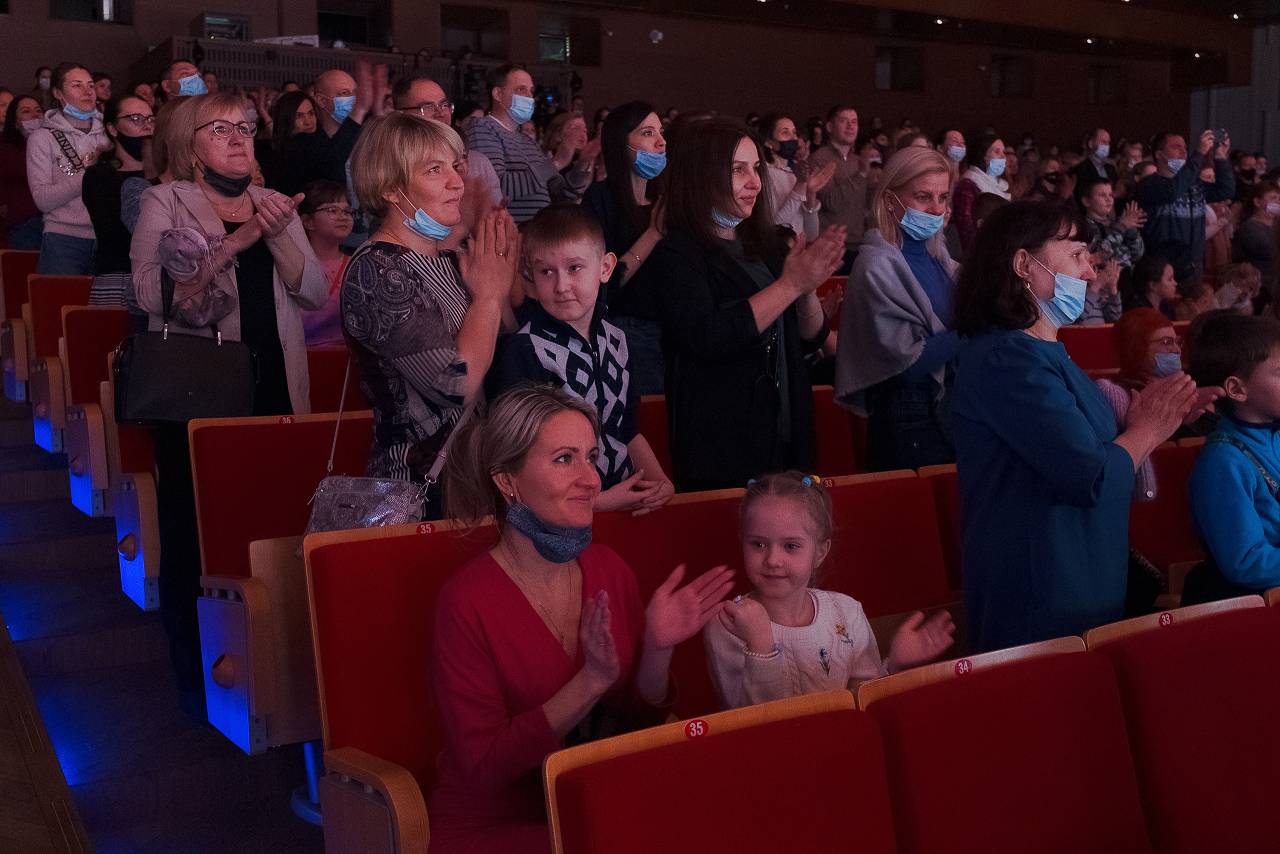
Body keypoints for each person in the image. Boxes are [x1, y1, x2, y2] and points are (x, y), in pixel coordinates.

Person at [432, 385, 734, 854]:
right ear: (507, 481)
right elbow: (486, 766)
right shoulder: (465, 602)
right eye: (564, 459)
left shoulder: (609, 568)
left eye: (591, 457)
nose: (591, 480)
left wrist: (658, 647)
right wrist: (590, 681)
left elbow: (638, 722)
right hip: (503, 820)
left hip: (598, 799)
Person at [129, 92, 327, 713]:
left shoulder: (274, 203)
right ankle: (199, 675)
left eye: (245, 127)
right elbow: (153, 293)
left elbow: (314, 291)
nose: (240, 137)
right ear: (191, 145)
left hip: (277, 386)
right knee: (195, 533)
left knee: (272, 525)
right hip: (201, 396)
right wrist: (240, 241)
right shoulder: (165, 200)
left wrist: (278, 234)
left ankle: (274, 675)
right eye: (221, 129)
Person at [950, 200, 1211, 651]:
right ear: (1023, 265)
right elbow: (1089, 475)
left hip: (1081, 568)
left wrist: (1157, 412)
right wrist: (1148, 429)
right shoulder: (1007, 359)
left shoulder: (1044, 351)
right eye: (1076, 255)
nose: (1090, 272)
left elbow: (1089, 439)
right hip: (1041, 582)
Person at [648, 117, 844, 490]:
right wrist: (790, 284)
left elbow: (810, 336)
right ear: (702, 176)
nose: (754, 182)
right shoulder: (678, 254)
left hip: (785, 424)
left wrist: (805, 286)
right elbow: (709, 336)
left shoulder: (767, 244)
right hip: (724, 438)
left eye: (756, 169)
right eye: (738, 170)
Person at [343, 112, 516, 497]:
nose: (457, 182)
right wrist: (489, 297)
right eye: (435, 170)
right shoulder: (378, 270)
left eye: (455, 166)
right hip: (416, 487)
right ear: (391, 188)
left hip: (470, 474)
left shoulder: (448, 260)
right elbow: (456, 386)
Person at [704, 471, 954, 709]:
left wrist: (895, 664)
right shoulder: (727, 623)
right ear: (743, 542)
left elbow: (863, 701)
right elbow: (751, 722)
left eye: (790, 546)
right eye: (758, 544)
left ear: (820, 552)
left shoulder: (847, 611)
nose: (773, 560)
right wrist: (760, 646)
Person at [486, 204, 674, 514]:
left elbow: (628, 429)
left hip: (623, 501)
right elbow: (517, 457)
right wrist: (598, 503)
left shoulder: (617, 340)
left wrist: (659, 480)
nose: (561, 286)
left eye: (574, 268)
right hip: (559, 516)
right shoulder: (525, 349)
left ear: (605, 268)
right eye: (546, 272)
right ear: (530, 275)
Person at [836, 147, 959, 471]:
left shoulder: (941, 261)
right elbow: (904, 364)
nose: (936, 209)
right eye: (923, 197)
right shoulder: (876, 265)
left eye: (943, 197)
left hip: (948, 411)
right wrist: (972, 330)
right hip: (906, 421)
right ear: (890, 200)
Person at [1185, 312, 1280, 603]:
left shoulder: (1274, 435)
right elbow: (1247, 562)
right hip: (1256, 604)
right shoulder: (1223, 463)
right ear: (1237, 389)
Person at [580, 101, 668, 395]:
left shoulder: (666, 198)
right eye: (647, 133)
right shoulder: (600, 199)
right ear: (621, 143)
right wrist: (653, 234)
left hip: (673, 327)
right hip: (628, 329)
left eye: (661, 132)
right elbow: (605, 281)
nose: (661, 142)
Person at [1095, 307, 1187, 503]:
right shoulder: (1119, 397)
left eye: (1177, 342)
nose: (1177, 350)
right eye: (1166, 342)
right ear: (1136, 348)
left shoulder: (1184, 389)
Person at [26, 62, 110, 274]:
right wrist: (90, 173)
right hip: (64, 238)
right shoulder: (42, 137)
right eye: (77, 85)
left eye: (90, 85)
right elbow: (43, 200)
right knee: (61, 296)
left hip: (109, 234)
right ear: (58, 93)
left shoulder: (109, 132)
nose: (87, 92)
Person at [466, 64, 564, 224]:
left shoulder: (528, 141)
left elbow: (556, 192)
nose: (529, 97)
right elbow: (495, 188)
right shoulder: (483, 127)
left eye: (531, 91)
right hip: (511, 233)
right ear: (498, 94)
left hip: (540, 232)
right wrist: (557, 162)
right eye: (521, 89)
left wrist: (582, 166)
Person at [83, 95, 151, 320]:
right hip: (118, 275)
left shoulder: (166, 174)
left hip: (156, 277)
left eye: (150, 119)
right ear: (112, 128)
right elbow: (116, 232)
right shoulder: (100, 176)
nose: (146, 125)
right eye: (135, 118)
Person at [390, 72, 501, 209]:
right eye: (428, 107)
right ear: (400, 115)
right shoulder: (391, 164)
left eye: (444, 105)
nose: (441, 113)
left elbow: (496, 214)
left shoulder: (478, 164)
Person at [1134, 129, 1233, 278]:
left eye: (1185, 148)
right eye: (1176, 147)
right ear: (1159, 155)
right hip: (1163, 270)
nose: (1183, 152)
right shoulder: (1149, 185)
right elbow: (1172, 192)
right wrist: (1199, 154)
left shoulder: (1194, 185)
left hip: (1193, 265)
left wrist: (1220, 157)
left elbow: (1226, 190)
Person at [274, 64, 379, 195]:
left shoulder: (358, 136)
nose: (354, 99)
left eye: (355, 93)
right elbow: (331, 166)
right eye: (344, 93)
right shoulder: (301, 144)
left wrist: (378, 112)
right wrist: (359, 110)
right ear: (322, 101)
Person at [808, 105, 869, 270]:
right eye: (843, 121)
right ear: (829, 127)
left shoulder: (858, 161)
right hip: (830, 246)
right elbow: (831, 202)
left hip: (858, 243)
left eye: (854, 122)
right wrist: (860, 175)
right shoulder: (819, 158)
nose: (850, 126)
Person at [759, 113, 833, 243]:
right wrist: (800, 186)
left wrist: (811, 194)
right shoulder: (764, 174)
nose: (793, 138)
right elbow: (775, 227)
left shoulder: (793, 172)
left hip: (798, 250)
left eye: (794, 133)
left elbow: (811, 235)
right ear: (769, 141)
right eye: (785, 133)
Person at [297, 179, 353, 347]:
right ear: (308, 221)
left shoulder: (356, 266)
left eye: (347, 211)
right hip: (299, 355)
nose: (343, 217)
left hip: (345, 357)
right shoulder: (293, 266)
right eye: (332, 210)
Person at [951, 132, 1010, 257]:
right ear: (983, 155)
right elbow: (966, 230)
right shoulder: (968, 185)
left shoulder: (1002, 185)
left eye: (1004, 152)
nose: (1003, 156)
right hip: (981, 254)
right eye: (997, 152)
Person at [0, 95, 44, 249]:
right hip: (23, 222)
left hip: (54, 221)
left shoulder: (54, 144)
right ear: (15, 121)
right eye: (26, 111)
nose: (35, 115)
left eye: (38, 111)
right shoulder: (5, 148)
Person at [1078, 176, 1145, 269]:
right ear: (1086, 201)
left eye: (1110, 195)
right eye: (1102, 195)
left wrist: (1131, 229)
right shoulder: (1083, 227)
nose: (1108, 199)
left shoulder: (1117, 222)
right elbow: (1098, 255)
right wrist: (1122, 226)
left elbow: (1137, 254)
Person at [1232, 180, 1279, 301]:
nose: (1278, 202)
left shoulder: (1276, 224)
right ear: (1257, 202)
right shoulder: (1250, 228)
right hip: (1262, 288)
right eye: (1273, 198)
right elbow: (1271, 250)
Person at [259, 91, 317, 187]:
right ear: (286, 120)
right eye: (299, 116)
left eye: (311, 113)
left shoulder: (321, 144)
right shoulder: (269, 154)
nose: (308, 122)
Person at [541, 111, 598, 203]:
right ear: (558, 135)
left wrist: (584, 163)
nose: (582, 134)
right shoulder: (541, 160)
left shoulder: (586, 164)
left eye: (584, 130)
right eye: (575, 129)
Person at [1122, 253, 1178, 318]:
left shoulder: (1166, 309)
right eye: (1170, 279)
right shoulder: (1138, 313)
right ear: (1152, 285)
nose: (1175, 283)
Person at [1078, 250, 1122, 325]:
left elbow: (1115, 319)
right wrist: (1096, 285)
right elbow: (1077, 318)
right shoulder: (1075, 289)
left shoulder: (1099, 295)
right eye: (1090, 263)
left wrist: (1113, 287)